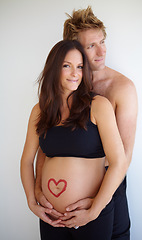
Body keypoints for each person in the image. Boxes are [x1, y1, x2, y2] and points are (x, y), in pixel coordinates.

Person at [35, 6, 138, 239]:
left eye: (102, 41)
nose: (101, 51)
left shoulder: (122, 88)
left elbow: (123, 157)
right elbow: (47, 143)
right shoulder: (64, 87)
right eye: (91, 46)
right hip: (57, 212)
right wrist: (38, 190)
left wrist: (96, 206)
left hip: (108, 195)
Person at [20, 39, 128, 240]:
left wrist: (94, 210)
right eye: (67, 66)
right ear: (54, 68)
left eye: (79, 67)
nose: (75, 73)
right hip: (50, 216)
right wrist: (32, 201)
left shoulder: (98, 105)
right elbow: (27, 160)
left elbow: (118, 163)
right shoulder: (40, 111)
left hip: (92, 215)